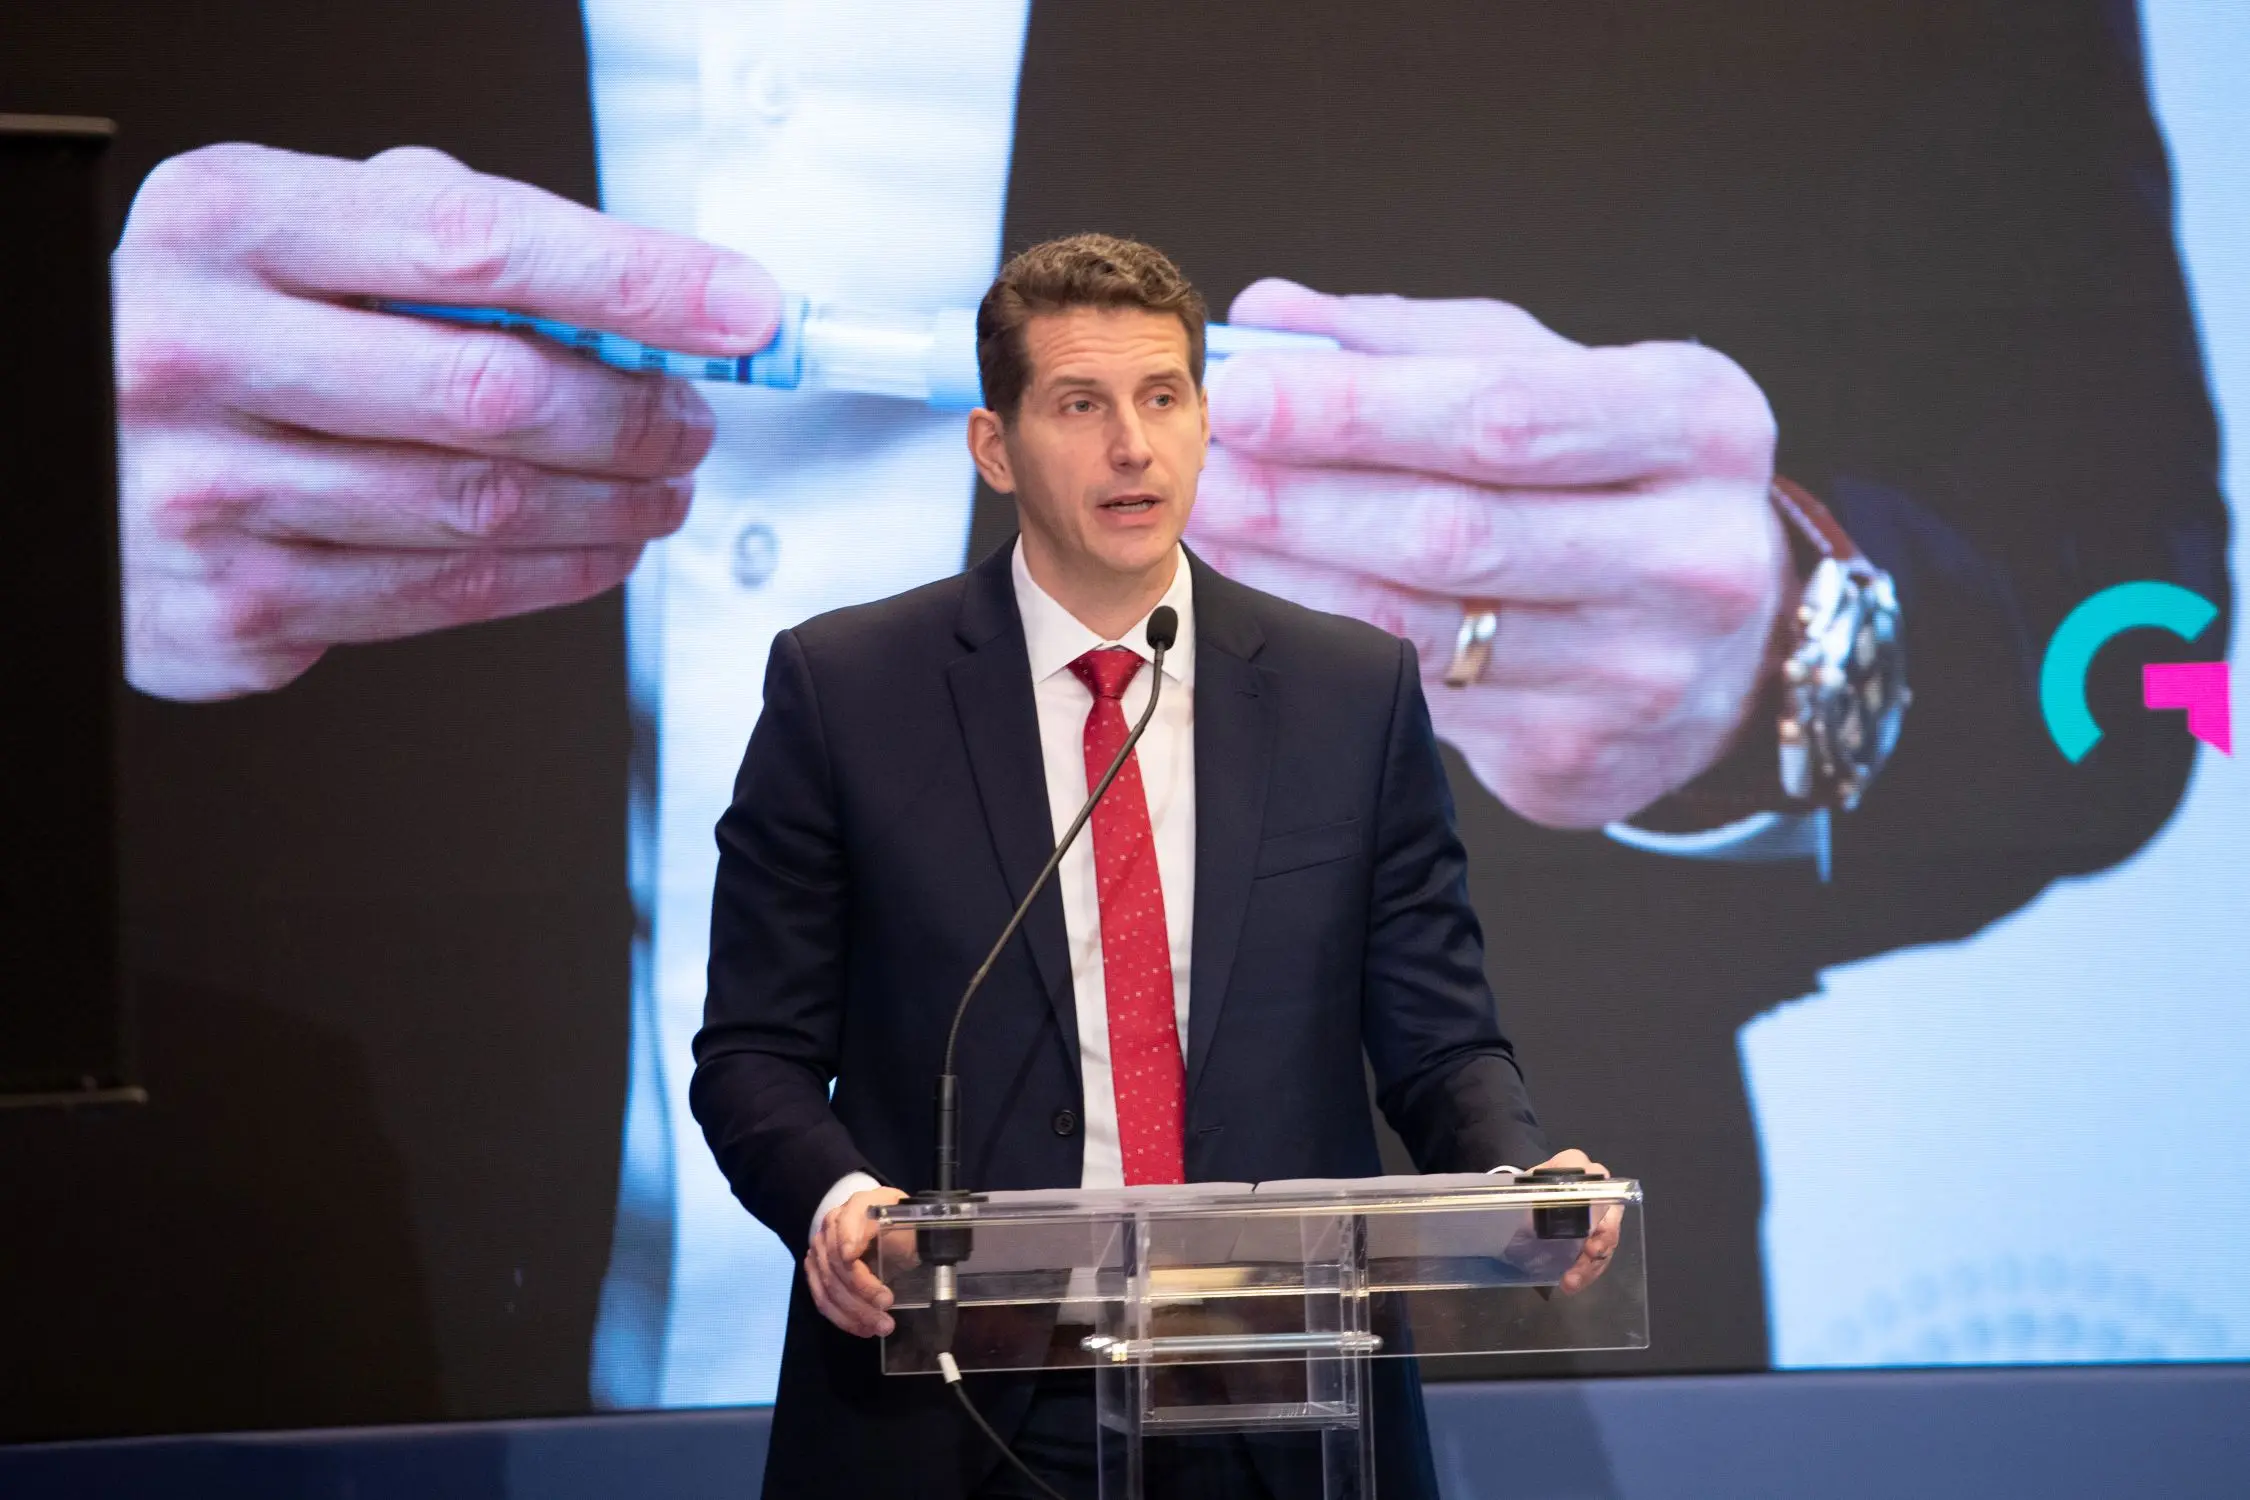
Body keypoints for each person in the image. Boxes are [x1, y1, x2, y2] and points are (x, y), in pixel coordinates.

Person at [84, 0, 2225, 1401]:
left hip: (1390, 1400)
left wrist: (1801, 639)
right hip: (249, 1363)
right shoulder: (853, 698)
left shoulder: (1333, 715)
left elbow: (2162, 658)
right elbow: (766, 1066)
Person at [690, 234, 1613, 1499]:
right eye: (1082, 405)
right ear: (995, 447)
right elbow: (753, 1051)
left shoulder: (1350, 694)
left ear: (1203, 421)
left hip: (1277, 1394)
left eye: (1163, 398)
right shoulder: (846, 692)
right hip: (960, 1397)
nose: (1133, 446)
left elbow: (1439, 1039)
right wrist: (840, 1198)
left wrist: (1519, 1173)